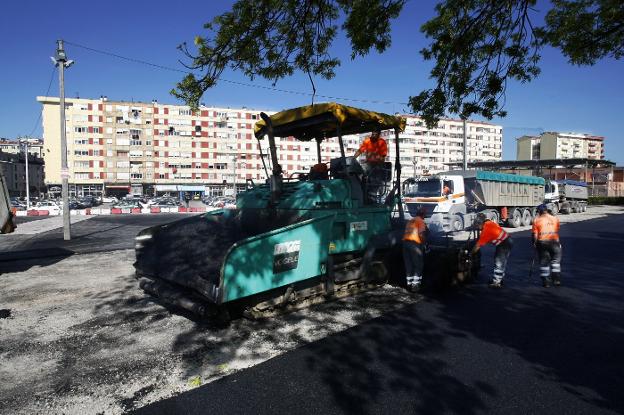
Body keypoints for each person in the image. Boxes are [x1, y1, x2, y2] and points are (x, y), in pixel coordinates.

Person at [471, 213, 513, 288]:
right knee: (502, 262)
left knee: (499, 262)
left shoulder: (485, 231)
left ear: (480, 224)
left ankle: (497, 283)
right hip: (507, 241)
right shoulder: (488, 223)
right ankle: (499, 279)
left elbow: (477, 246)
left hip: (504, 243)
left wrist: (470, 254)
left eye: (478, 226)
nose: (478, 228)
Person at [532, 204, 562, 287]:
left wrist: (534, 243)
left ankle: (546, 282)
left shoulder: (536, 220)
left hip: (543, 243)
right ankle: (556, 280)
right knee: (556, 262)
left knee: (544, 263)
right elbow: (556, 230)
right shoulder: (555, 219)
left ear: (540, 211)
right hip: (555, 242)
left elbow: (535, 235)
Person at [403, 207, 428, 292]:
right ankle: (415, 285)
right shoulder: (420, 221)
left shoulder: (411, 220)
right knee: (418, 265)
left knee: (409, 265)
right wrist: (425, 244)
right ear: (423, 215)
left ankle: (409, 285)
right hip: (414, 245)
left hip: (405, 245)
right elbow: (421, 234)